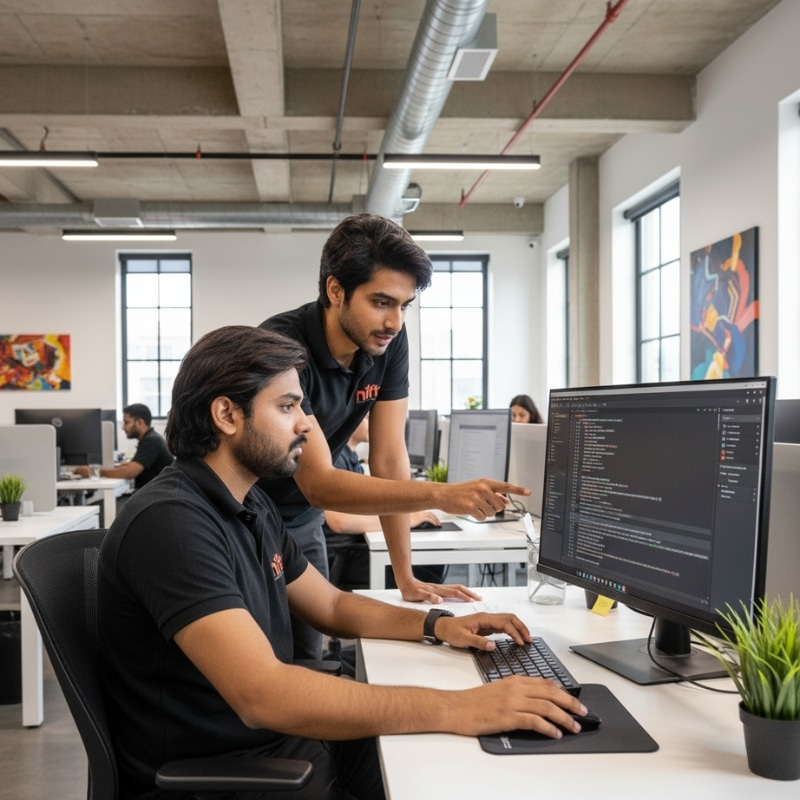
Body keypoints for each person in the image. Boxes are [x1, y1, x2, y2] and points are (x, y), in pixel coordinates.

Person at [96, 325, 587, 800]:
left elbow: (330, 605)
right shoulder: (173, 523)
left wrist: (438, 624)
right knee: (454, 763)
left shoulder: (248, 502)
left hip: (276, 748)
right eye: (287, 407)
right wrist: (458, 707)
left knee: (468, 764)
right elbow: (263, 693)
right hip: (229, 774)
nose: (306, 424)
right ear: (227, 414)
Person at [259, 214, 529, 658]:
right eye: (382, 301)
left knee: (310, 656)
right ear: (335, 291)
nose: (395, 321)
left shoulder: (386, 343)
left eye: (404, 305)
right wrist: (440, 495)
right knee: (268, 658)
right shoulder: (283, 348)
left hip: (303, 519)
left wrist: (405, 577)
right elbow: (321, 481)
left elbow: (388, 457)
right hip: (249, 515)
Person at [323, 414, 445, 590]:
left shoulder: (349, 456)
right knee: (428, 570)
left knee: (429, 561)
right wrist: (407, 519)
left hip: (350, 547)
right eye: (366, 418)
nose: (374, 423)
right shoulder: (337, 458)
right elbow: (338, 521)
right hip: (342, 555)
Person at [74, 403, 173, 489]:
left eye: (126, 422)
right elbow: (132, 466)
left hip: (153, 498)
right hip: (151, 494)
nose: (123, 427)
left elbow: (129, 472)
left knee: (102, 507)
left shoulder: (151, 440)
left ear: (140, 422)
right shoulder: (150, 438)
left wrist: (93, 472)